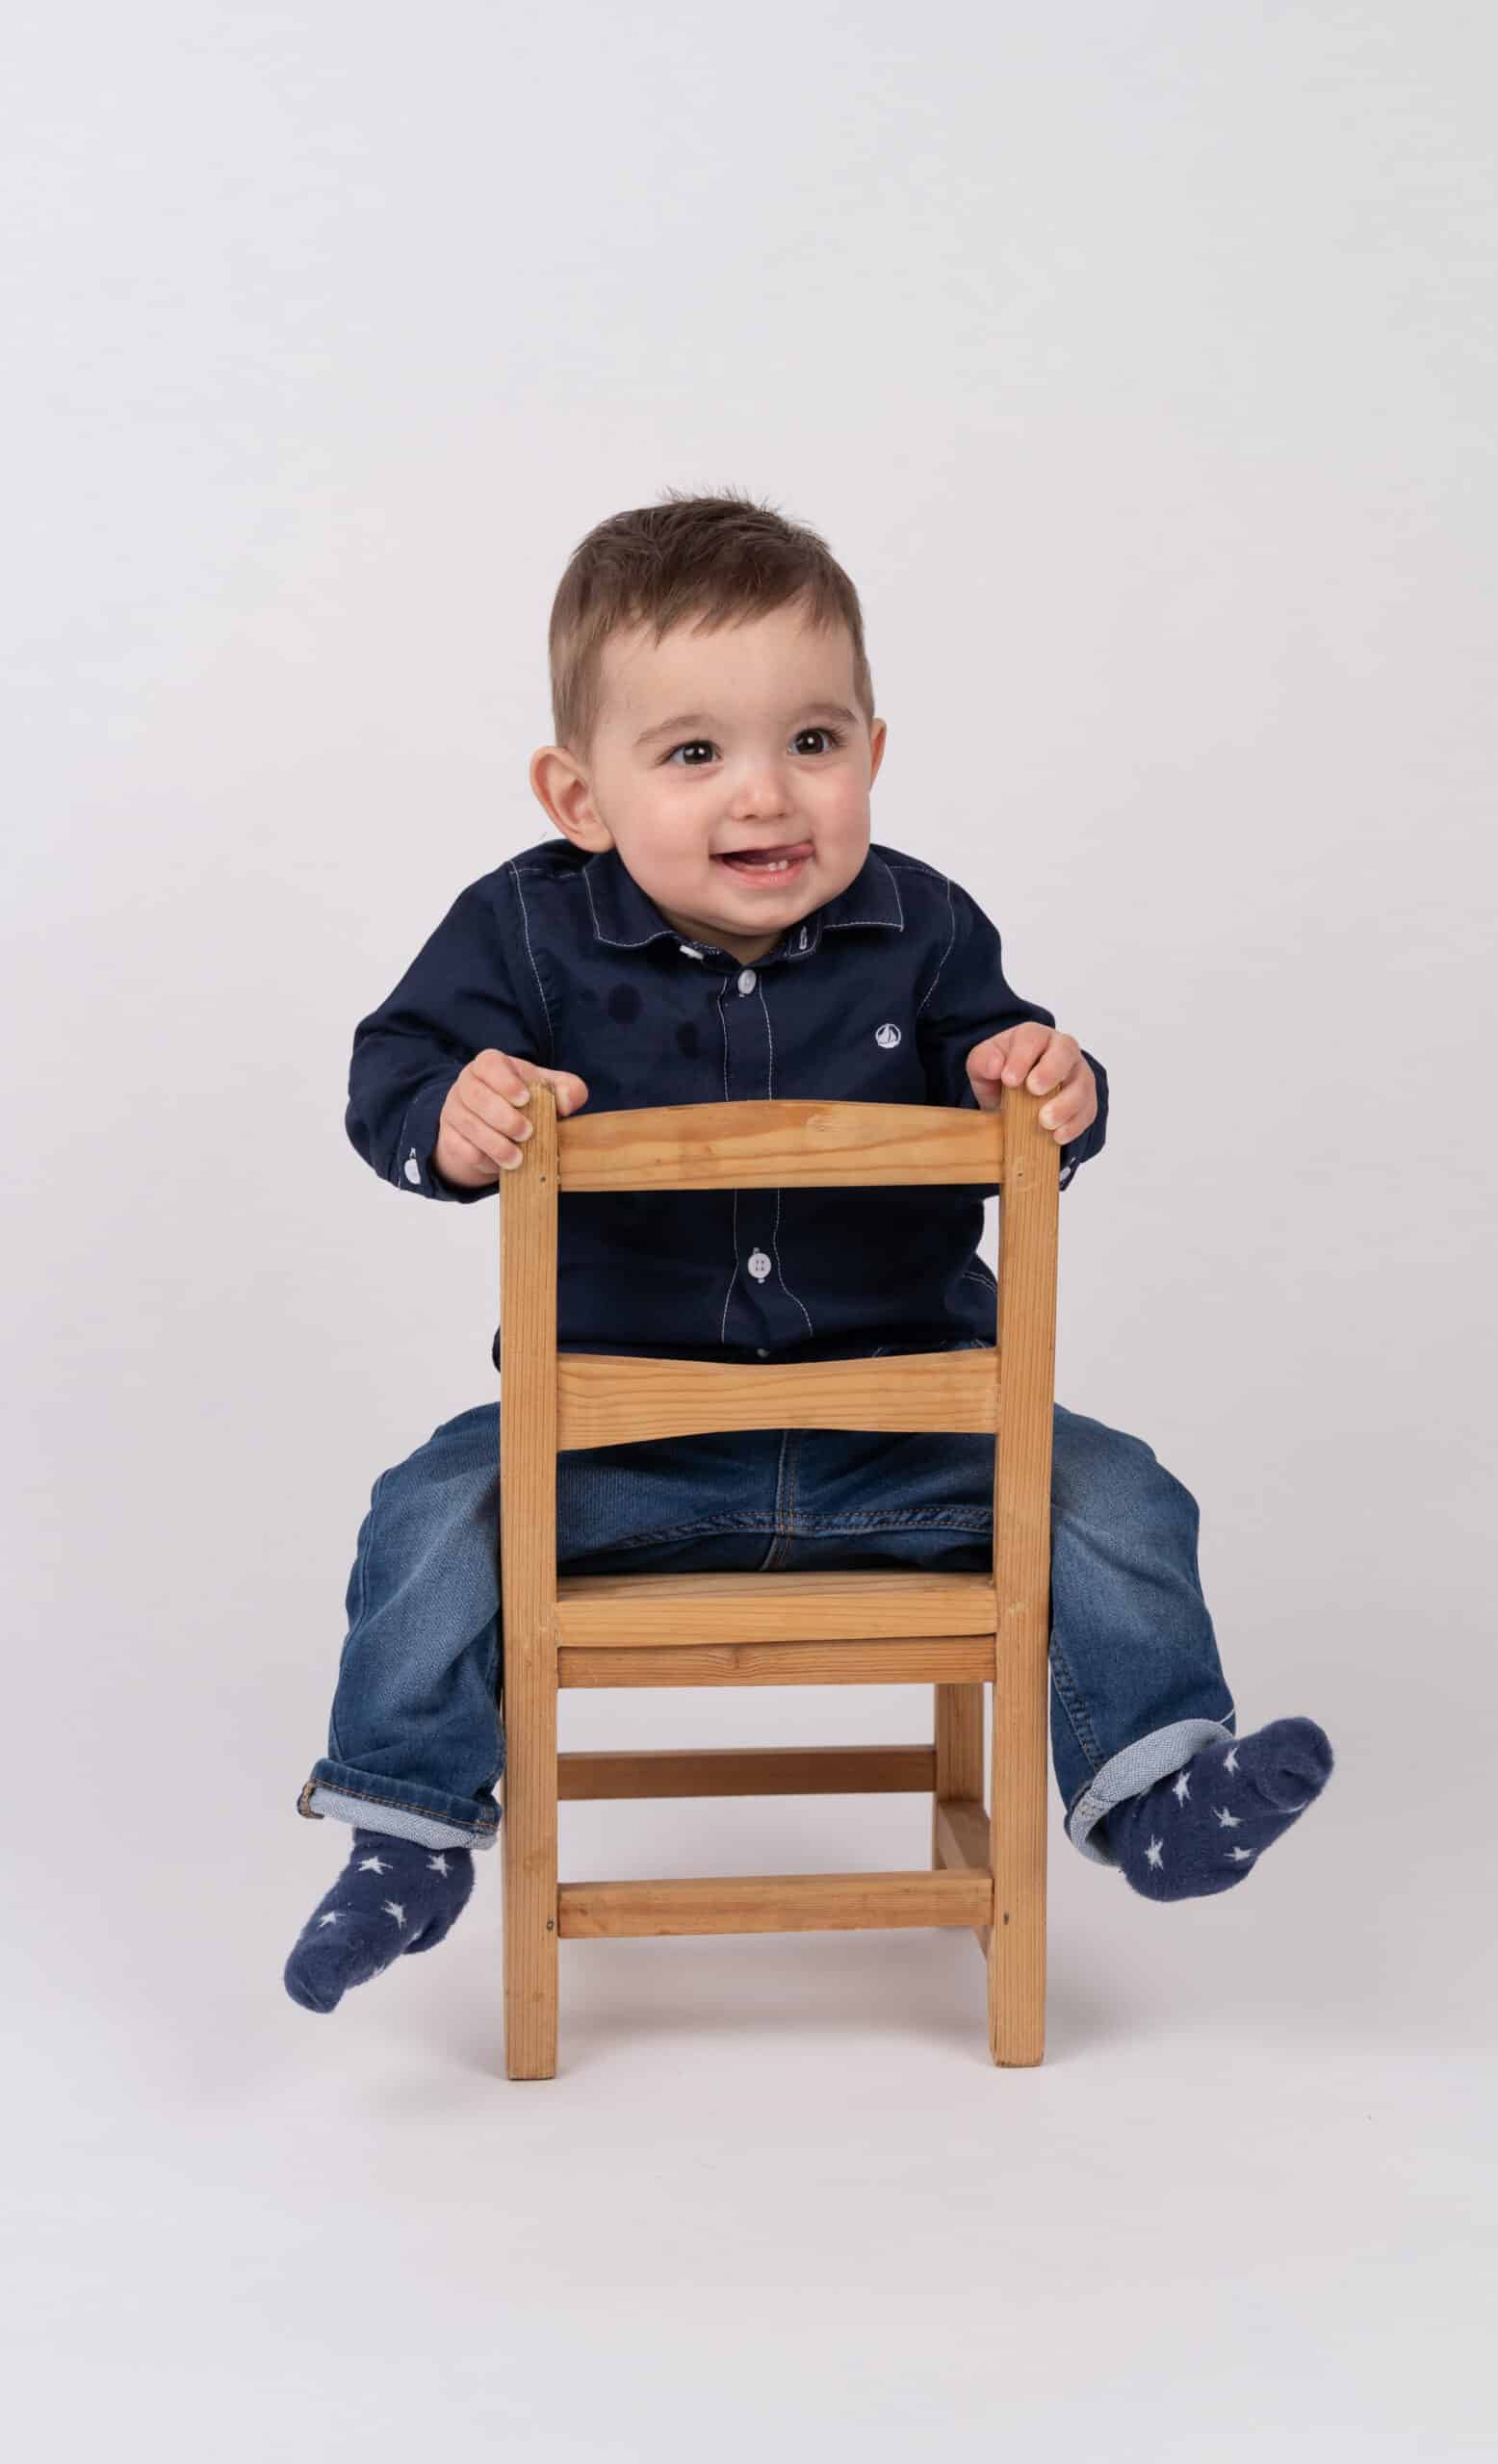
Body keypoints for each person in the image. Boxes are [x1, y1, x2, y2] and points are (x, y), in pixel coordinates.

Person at [285, 490, 1334, 2015]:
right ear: (579, 795)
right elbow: (394, 1074)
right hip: (614, 1460)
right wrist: (456, 1115)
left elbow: (1018, 1071)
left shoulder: (926, 927)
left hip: (900, 1443)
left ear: (875, 755)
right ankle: (409, 1829)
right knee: (433, 1508)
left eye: (814, 743)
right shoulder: (518, 938)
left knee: (1117, 1487)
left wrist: (1052, 1078)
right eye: (695, 753)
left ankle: (1149, 1785)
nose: (766, 797)